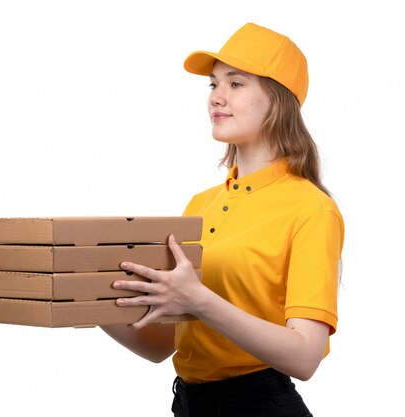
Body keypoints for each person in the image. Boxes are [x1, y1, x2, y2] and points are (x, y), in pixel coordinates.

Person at [101, 22, 344, 417]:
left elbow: (305, 358)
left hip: (260, 406)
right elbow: (163, 346)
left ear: (278, 100)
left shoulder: (310, 208)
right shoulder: (201, 204)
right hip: (189, 405)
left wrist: (198, 299)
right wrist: (83, 303)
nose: (217, 97)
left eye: (236, 84)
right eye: (213, 85)